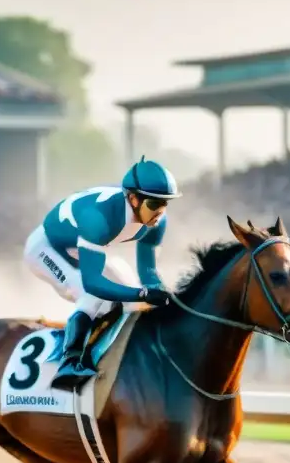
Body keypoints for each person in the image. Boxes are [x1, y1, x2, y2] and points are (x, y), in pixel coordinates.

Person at [24, 156, 180, 391]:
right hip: (46, 249)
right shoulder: (99, 218)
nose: (160, 212)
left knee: (130, 294)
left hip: (79, 248)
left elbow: (147, 271)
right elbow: (94, 283)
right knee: (94, 297)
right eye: (154, 204)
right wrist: (143, 293)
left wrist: (161, 294)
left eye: (164, 204)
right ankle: (70, 362)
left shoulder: (157, 223)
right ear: (134, 199)